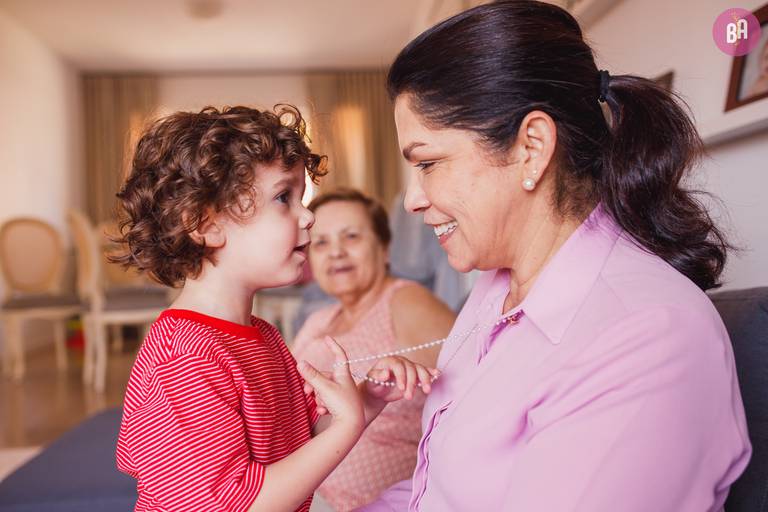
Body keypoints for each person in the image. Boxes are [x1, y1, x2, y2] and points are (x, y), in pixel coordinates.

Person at [361, 1, 752, 510]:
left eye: (429, 163)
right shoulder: (494, 290)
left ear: (531, 147)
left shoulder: (649, 335)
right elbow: (434, 492)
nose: (412, 199)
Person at [110, 105, 437, 512]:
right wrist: (347, 430)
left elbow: (294, 446)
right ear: (205, 224)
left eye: (303, 197)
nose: (307, 216)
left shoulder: (260, 335)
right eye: (284, 197)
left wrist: (362, 408)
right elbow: (240, 505)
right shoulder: (186, 355)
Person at [291, 188, 455, 511]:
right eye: (321, 242)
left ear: (384, 249)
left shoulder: (406, 302)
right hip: (305, 494)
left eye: (351, 237)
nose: (335, 252)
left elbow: (476, 382)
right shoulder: (317, 321)